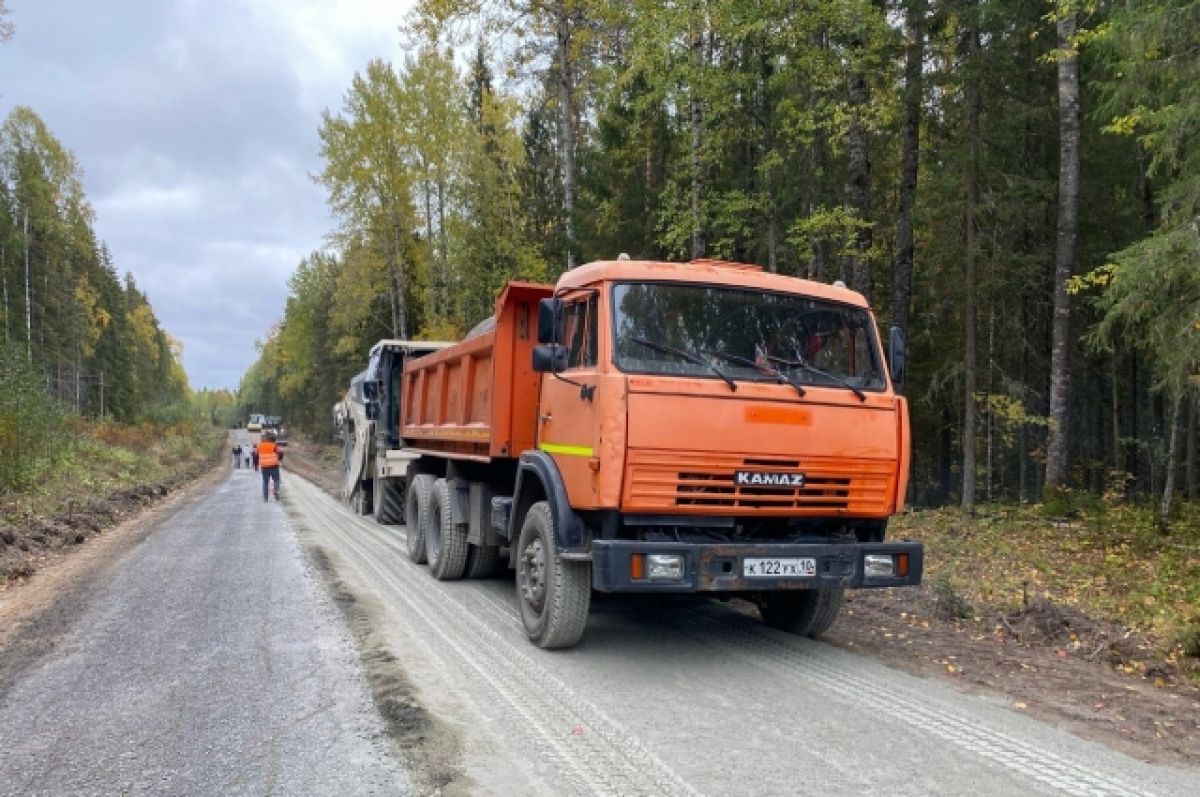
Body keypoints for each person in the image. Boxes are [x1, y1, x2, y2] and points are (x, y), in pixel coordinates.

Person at [257, 431, 283, 502]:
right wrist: (279, 459)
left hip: (264, 466)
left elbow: (256, 454)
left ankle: (265, 498)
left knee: (265, 482)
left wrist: (257, 463)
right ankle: (276, 490)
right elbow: (280, 453)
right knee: (276, 479)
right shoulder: (274, 445)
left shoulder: (260, 445)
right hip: (274, 465)